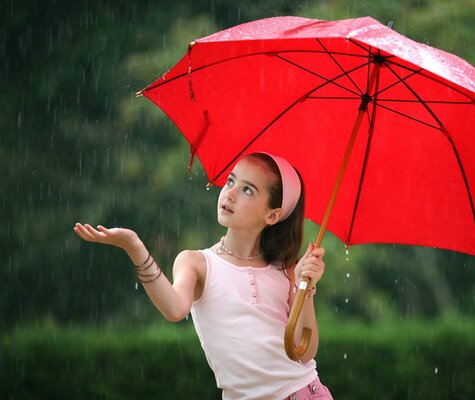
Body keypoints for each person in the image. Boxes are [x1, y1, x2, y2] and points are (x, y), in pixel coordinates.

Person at [73, 152, 333, 400]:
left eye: (247, 190)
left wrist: (304, 287)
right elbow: (175, 309)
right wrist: (134, 247)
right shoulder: (197, 262)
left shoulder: (287, 270)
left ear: (273, 215)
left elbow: (304, 351)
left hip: (305, 392)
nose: (229, 194)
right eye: (231, 181)